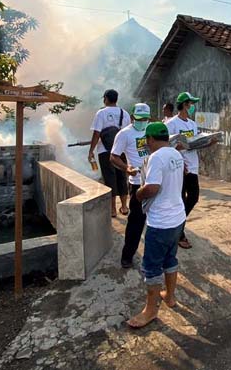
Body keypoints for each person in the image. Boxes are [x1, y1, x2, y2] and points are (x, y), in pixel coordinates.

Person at [126, 122, 187, 329]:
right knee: (170, 258)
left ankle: (150, 310)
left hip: (161, 222)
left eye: (147, 141)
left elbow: (152, 188)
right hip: (178, 218)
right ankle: (170, 297)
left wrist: (138, 193)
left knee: (151, 267)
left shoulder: (156, 157)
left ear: (150, 139)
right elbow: (184, 173)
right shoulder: (175, 154)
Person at [166, 92, 216, 249]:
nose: (192, 107)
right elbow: (166, 146)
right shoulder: (171, 124)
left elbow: (195, 144)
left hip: (193, 167)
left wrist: (209, 142)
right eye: (190, 104)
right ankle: (179, 233)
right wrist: (178, 154)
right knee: (180, 200)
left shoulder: (192, 125)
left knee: (193, 197)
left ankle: (177, 226)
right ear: (183, 105)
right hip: (179, 168)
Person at [110, 103, 152, 269]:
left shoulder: (153, 130)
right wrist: (126, 168)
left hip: (155, 181)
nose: (143, 122)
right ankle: (127, 256)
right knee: (136, 222)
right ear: (133, 117)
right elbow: (113, 157)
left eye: (145, 119)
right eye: (139, 119)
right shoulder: (124, 134)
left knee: (158, 222)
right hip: (137, 184)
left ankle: (156, 257)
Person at [88, 89, 131, 218]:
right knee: (122, 177)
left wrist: (91, 151)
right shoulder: (125, 113)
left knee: (109, 179)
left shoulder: (101, 113)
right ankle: (124, 206)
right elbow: (128, 133)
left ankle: (112, 209)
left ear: (106, 98)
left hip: (105, 151)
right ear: (116, 99)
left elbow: (96, 134)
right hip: (121, 151)